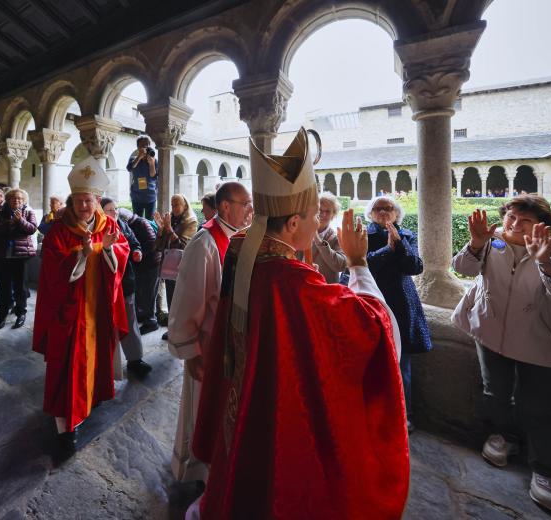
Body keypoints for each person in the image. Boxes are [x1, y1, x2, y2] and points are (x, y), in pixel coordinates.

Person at [188, 129, 408, 519]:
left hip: (246, 395)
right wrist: (358, 262)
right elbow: (373, 329)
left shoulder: (244, 252)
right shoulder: (289, 279)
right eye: (312, 216)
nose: (318, 222)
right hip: (277, 410)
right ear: (291, 224)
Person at [451, 195, 551, 512]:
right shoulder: (489, 243)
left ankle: (544, 471)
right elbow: (461, 268)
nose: (514, 224)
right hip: (489, 332)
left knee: (540, 407)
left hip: (536, 342)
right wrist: (474, 243)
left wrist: (545, 263)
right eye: (511, 217)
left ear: (542, 226)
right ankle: (504, 436)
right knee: (495, 393)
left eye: (524, 220)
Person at [32, 156, 129, 451]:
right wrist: (82, 254)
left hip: (98, 309)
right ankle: (67, 424)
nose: (84, 207)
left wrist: (108, 249)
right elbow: (51, 269)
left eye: (88, 200)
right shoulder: (59, 230)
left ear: (97, 200)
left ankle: (93, 396)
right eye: (78, 201)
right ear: (71, 201)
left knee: (97, 358)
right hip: (70, 312)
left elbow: (121, 252)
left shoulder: (108, 223)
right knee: (67, 366)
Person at [166, 181, 251, 485]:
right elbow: (189, 300)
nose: (251, 211)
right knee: (200, 411)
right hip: (205, 349)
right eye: (246, 204)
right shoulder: (205, 243)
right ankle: (195, 472)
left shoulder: (238, 239)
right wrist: (190, 352)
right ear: (226, 206)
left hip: (226, 349)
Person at [365, 194, 432, 434]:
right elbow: (362, 265)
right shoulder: (364, 235)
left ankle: (405, 415)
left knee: (402, 363)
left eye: (389, 208)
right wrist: (387, 249)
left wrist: (399, 244)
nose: (383, 212)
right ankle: (374, 411)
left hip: (402, 304)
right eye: (378, 208)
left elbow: (415, 266)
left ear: (397, 214)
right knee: (372, 360)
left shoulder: (407, 235)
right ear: (371, 214)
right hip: (373, 301)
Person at [102, 198, 153, 378]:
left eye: (115, 209)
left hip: (126, 282)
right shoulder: (99, 228)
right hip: (106, 286)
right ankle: (106, 365)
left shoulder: (122, 225)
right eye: (109, 210)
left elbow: (133, 242)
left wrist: (137, 251)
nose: (114, 212)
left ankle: (135, 359)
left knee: (130, 321)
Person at [0, 189, 37, 329]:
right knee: (3, 287)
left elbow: (32, 229)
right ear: (8, 200)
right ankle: (2, 314)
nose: (17, 201)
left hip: (21, 256)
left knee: (20, 286)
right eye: (14, 198)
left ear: (24, 200)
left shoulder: (28, 212)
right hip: (2, 255)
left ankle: (21, 313)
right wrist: (9, 223)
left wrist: (20, 220)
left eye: (20, 199)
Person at [117, 208, 162, 335]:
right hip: (144, 264)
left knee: (149, 294)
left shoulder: (140, 224)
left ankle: (151, 322)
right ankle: (144, 316)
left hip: (151, 264)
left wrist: (137, 254)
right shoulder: (134, 223)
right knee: (144, 293)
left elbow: (151, 244)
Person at [154, 194, 198, 311]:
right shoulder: (170, 219)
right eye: (172, 205)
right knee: (170, 299)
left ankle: (179, 327)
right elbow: (158, 247)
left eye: (177, 205)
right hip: (170, 265)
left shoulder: (191, 221)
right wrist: (160, 230)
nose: (173, 208)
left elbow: (183, 246)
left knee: (181, 302)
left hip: (183, 266)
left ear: (185, 205)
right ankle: (171, 325)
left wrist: (169, 229)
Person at [296, 191, 346, 283]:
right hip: (301, 284)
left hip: (324, 288)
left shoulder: (336, 237)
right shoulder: (301, 232)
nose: (323, 215)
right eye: (320, 210)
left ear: (333, 215)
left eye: (328, 211)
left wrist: (318, 240)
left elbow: (341, 265)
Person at [126, 135, 157, 219]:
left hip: (150, 197)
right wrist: (139, 156)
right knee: (137, 221)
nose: (146, 147)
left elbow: (153, 176)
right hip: (136, 196)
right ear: (138, 147)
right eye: (143, 145)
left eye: (148, 145)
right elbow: (129, 168)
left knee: (150, 222)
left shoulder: (153, 160)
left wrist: (151, 163)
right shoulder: (133, 159)